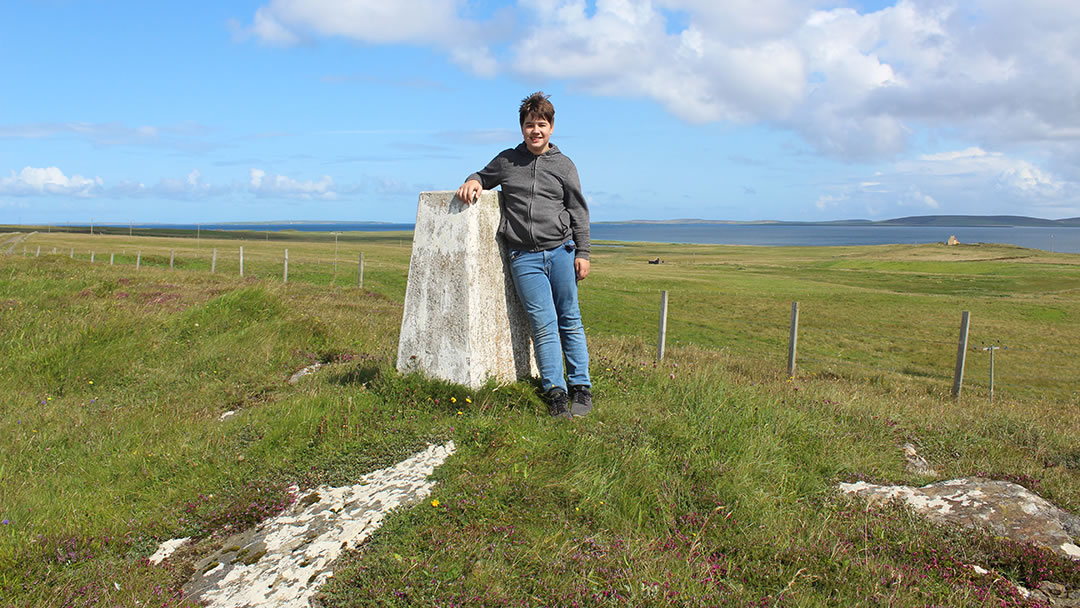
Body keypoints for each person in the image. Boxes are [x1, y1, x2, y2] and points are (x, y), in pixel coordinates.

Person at [457, 91, 592, 420]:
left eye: (542, 125)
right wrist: (472, 181)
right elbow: (483, 176)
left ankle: (581, 388)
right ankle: (556, 392)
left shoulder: (563, 165)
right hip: (524, 257)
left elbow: (578, 210)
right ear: (522, 128)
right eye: (530, 125)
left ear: (552, 127)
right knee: (543, 325)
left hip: (561, 251)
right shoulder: (507, 161)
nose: (536, 131)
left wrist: (583, 252)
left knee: (570, 321)